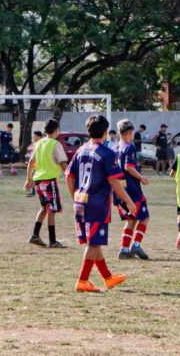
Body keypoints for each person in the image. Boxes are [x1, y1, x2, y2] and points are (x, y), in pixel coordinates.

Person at [66, 114, 134, 293]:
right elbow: (114, 182)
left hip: (81, 202)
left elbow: (69, 176)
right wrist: (129, 202)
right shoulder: (106, 153)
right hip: (97, 204)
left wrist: (74, 197)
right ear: (105, 132)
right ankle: (82, 281)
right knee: (93, 245)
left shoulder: (80, 150)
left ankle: (108, 278)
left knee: (94, 242)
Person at [114, 119, 151, 260]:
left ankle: (124, 249)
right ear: (130, 132)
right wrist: (141, 178)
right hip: (132, 190)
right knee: (144, 217)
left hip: (119, 190)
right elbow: (128, 167)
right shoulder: (129, 148)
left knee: (130, 220)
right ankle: (136, 245)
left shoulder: (114, 148)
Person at [26, 120, 67, 248]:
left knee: (44, 208)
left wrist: (29, 179)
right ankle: (52, 240)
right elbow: (62, 162)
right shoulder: (55, 144)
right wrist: (70, 175)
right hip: (49, 180)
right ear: (57, 130)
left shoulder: (38, 143)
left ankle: (35, 235)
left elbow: (31, 162)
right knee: (51, 210)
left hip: (38, 180)